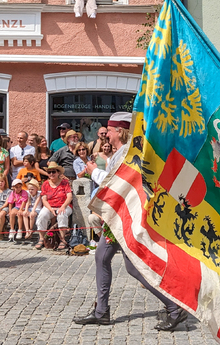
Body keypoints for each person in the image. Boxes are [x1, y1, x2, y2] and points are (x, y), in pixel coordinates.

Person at [74, 112, 188, 331]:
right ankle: (102, 311)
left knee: (134, 268)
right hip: (118, 217)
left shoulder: (127, 153)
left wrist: (94, 172)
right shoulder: (119, 153)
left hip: (127, 218)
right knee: (104, 258)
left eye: (110, 129)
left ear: (120, 131)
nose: (106, 133)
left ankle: (174, 307)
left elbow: (118, 186)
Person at [35, 162, 73, 250]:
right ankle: (41, 238)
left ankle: (62, 239)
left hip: (64, 205)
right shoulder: (45, 184)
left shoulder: (65, 182)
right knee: (42, 215)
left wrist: (63, 206)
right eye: (49, 172)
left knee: (62, 214)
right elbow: (44, 199)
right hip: (50, 206)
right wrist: (50, 209)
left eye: (53, 172)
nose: (51, 174)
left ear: (58, 172)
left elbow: (69, 196)